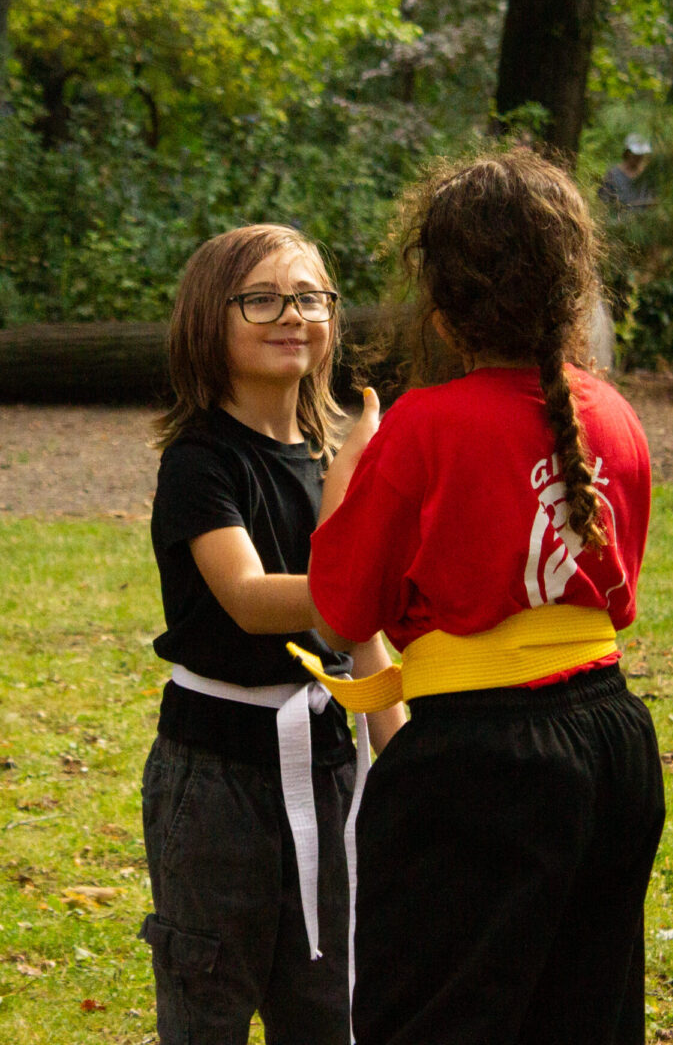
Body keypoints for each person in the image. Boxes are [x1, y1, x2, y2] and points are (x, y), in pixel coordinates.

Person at [302, 148, 666, 1045]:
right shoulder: (612, 413)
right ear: (571, 287)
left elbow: (342, 613)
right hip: (614, 743)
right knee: (581, 1016)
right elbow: (615, 595)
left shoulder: (426, 425)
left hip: (480, 764)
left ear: (440, 300)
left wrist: (346, 481)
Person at [139, 223, 405, 1045]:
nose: (293, 314)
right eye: (262, 298)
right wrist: (354, 504)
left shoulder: (333, 452)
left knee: (329, 1004)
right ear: (206, 321)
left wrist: (401, 764)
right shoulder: (199, 463)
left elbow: (356, 631)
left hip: (326, 764)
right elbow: (253, 600)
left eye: (312, 297)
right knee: (208, 1002)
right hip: (215, 779)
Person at [599, 133, 655, 211]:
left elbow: (652, 201)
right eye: (635, 154)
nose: (638, 158)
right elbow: (603, 202)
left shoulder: (647, 175)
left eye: (641, 154)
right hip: (618, 221)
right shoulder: (612, 175)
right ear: (627, 153)